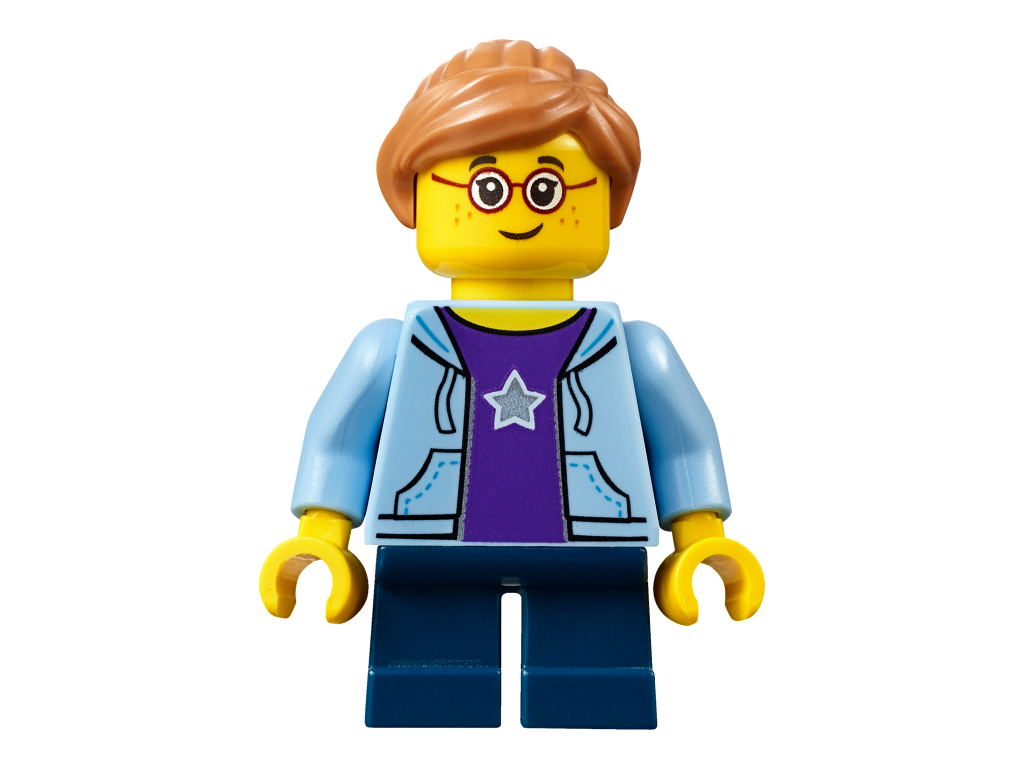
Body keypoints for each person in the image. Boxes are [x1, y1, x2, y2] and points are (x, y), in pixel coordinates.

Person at [260, 40, 764, 729]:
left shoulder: (634, 348)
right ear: (415, 199)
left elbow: (683, 443)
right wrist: (322, 534)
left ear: (608, 202)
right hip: (429, 552)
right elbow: (339, 441)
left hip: (595, 557)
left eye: (550, 188)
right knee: (425, 694)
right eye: (486, 188)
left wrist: (700, 536)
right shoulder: (393, 346)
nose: (519, 210)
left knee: (596, 694)